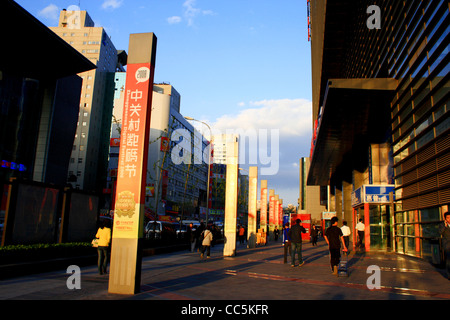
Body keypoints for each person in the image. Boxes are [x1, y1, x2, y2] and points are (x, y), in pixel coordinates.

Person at [439, 211, 450, 280]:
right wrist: (445, 226)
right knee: (449, 260)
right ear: (445, 218)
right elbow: (440, 232)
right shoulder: (442, 225)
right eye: (448, 218)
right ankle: (449, 274)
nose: (449, 219)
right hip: (447, 245)